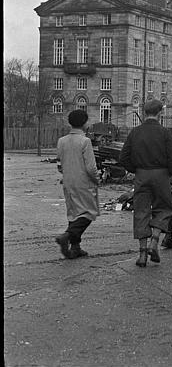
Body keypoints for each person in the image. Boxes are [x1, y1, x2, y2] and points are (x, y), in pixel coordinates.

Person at [119, 99, 172, 267]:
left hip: (141, 174)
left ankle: (142, 255)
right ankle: (155, 241)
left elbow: (123, 157)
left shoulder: (135, 132)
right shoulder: (165, 133)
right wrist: (169, 173)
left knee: (141, 211)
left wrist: (136, 169)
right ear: (160, 113)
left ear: (145, 113)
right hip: (161, 174)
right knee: (165, 208)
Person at [56, 109, 100, 259]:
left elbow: (59, 165)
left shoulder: (61, 141)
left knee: (73, 213)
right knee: (88, 213)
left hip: (68, 182)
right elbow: (91, 167)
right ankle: (67, 236)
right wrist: (96, 179)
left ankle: (75, 247)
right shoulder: (85, 141)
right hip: (83, 182)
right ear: (84, 123)